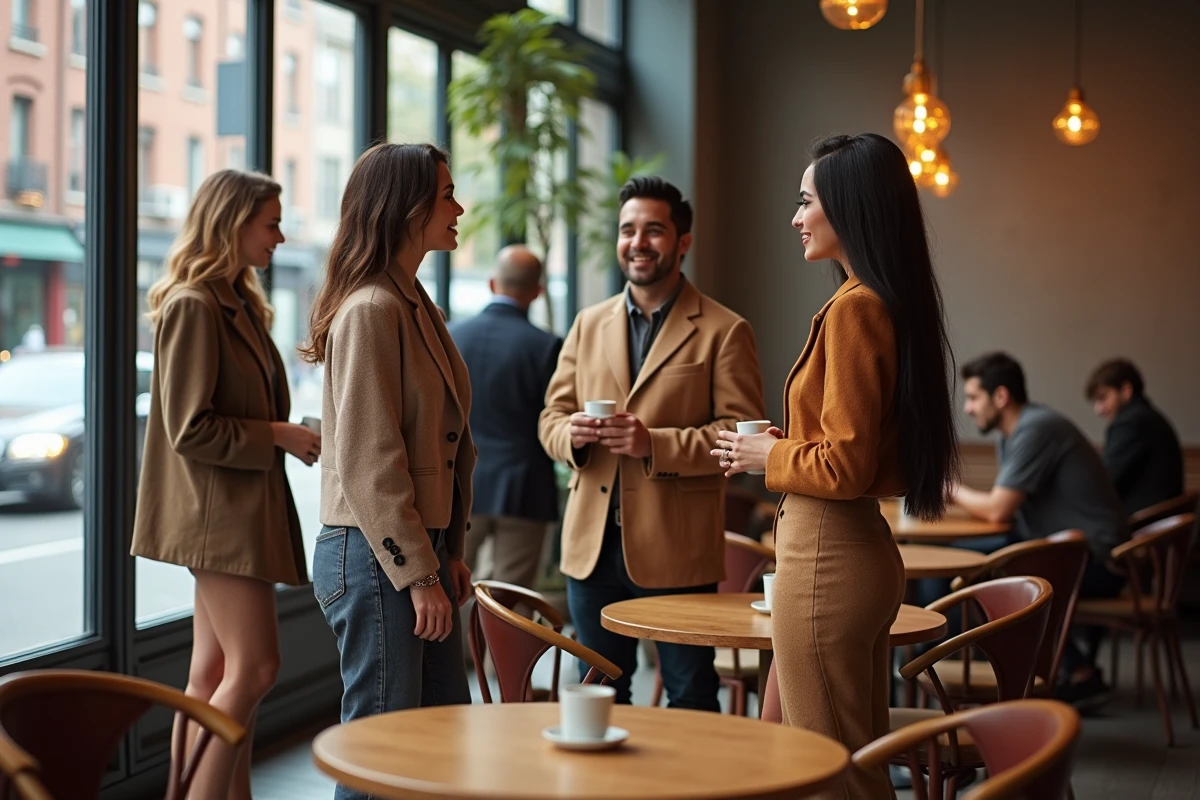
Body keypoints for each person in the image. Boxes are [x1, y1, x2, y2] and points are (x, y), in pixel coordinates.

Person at [715, 133, 958, 799]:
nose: (796, 217)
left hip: (827, 558)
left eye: (806, 201)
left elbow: (844, 467)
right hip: (851, 553)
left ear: (850, 207)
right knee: (829, 760)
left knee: (834, 773)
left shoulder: (856, 308)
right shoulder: (882, 300)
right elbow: (852, 449)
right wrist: (789, 444)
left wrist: (769, 454)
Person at [539, 176, 765, 711]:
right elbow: (551, 418)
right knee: (597, 698)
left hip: (677, 551)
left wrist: (653, 444)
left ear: (682, 242)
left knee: (690, 695)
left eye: (653, 230)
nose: (637, 242)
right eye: (627, 230)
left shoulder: (724, 330)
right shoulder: (587, 324)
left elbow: (741, 436)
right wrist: (572, 436)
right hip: (591, 551)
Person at [132, 169, 318, 800]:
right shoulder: (195, 304)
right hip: (219, 517)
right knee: (257, 668)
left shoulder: (235, 300)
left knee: (211, 674)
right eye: (271, 224)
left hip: (233, 511)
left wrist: (282, 432)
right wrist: (279, 435)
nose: (280, 237)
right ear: (233, 223)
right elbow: (190, 429)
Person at [299, 143, 474, 800]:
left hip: (410, 554)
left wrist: (446, 554)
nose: (459, 209)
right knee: (381, 754)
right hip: (377, 558)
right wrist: (421, 573)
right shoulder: (372, 308)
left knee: (434, 743)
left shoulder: (412, 301)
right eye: (446, 195)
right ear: (406, 207)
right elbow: (370, 462)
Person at [950, 351, 1128, 706]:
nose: (967, 408)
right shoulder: (1013, 434)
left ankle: (1002, 681)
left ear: (1001, 396)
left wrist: (949, 489)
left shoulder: (1036, 428)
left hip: (1099, 560)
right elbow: (1003, 512)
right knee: (962, 561)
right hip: (1063, 549)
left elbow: (999, 508)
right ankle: (981, 676)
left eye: (973, 397)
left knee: (982, 574)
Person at [449, 245, 563, 590]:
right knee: (509, 599)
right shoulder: (546, 346)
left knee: (452, 590)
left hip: (458, 486)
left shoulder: (451, 337)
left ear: (491, 283)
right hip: (524, 489)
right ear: (538, 292)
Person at [1086, 358, 1184, 517]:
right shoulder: (1146, 417)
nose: (1098, 410)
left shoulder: (1131, 423)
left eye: (1103, 398)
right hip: (1156, 521)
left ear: (1126, 390)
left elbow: (1104, 484)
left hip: (1144, 525)